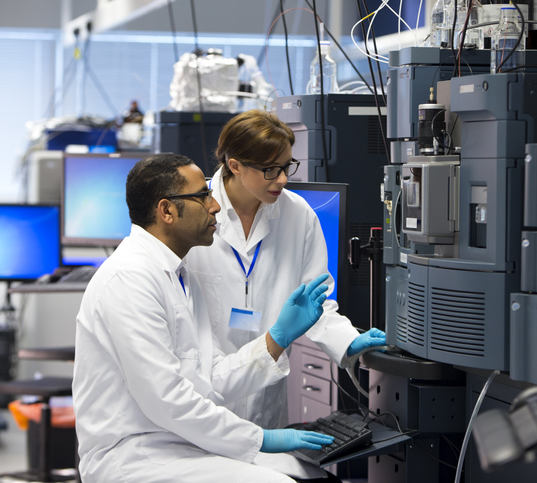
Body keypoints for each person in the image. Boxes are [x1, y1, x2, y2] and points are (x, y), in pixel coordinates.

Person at [72, 153, 341, 483]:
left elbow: (210, 379)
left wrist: (276, 340)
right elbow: (167, 400)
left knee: (313, 474)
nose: (214, 206)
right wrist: (260, 438)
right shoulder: (129, 279)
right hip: (134, 454)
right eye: (203, 195)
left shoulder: (179, 276)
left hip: (179, 442)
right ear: (167, 210)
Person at [185, 110, 386, 431]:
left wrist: (348, 340)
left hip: (266, 395)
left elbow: (314, 303)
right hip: (204, 397)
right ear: (234, 165)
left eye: (286, 166)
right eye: (270, 170)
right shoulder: (194, 215)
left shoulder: (298, 215)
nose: (283, 179)